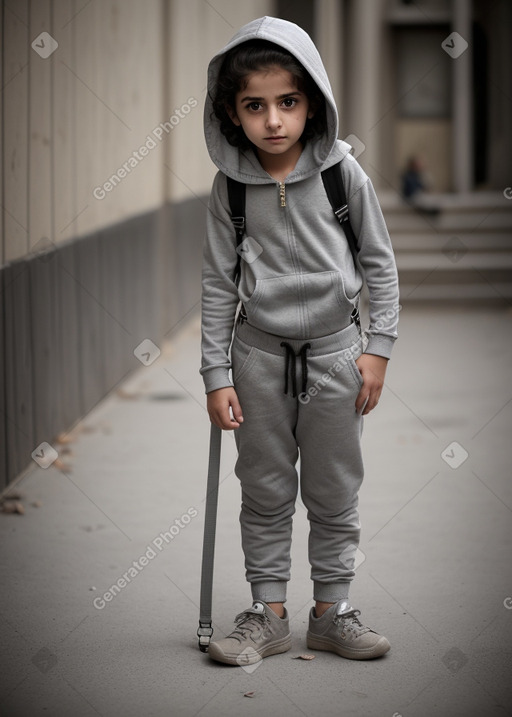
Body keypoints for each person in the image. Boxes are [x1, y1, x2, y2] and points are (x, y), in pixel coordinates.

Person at [200, 16, 399, 666]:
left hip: (338, 355)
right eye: (254, 105)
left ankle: (331, 611)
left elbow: (380, 264)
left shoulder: (345, 177)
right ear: (232, 113)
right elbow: (217, 283)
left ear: (311, 100)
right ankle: (268, 612)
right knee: (262, 485)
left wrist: (378, 347)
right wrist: (215, 373)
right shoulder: (229, 188)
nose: (273, 120)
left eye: (287, 101)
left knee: (335, 486)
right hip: (255, 357)